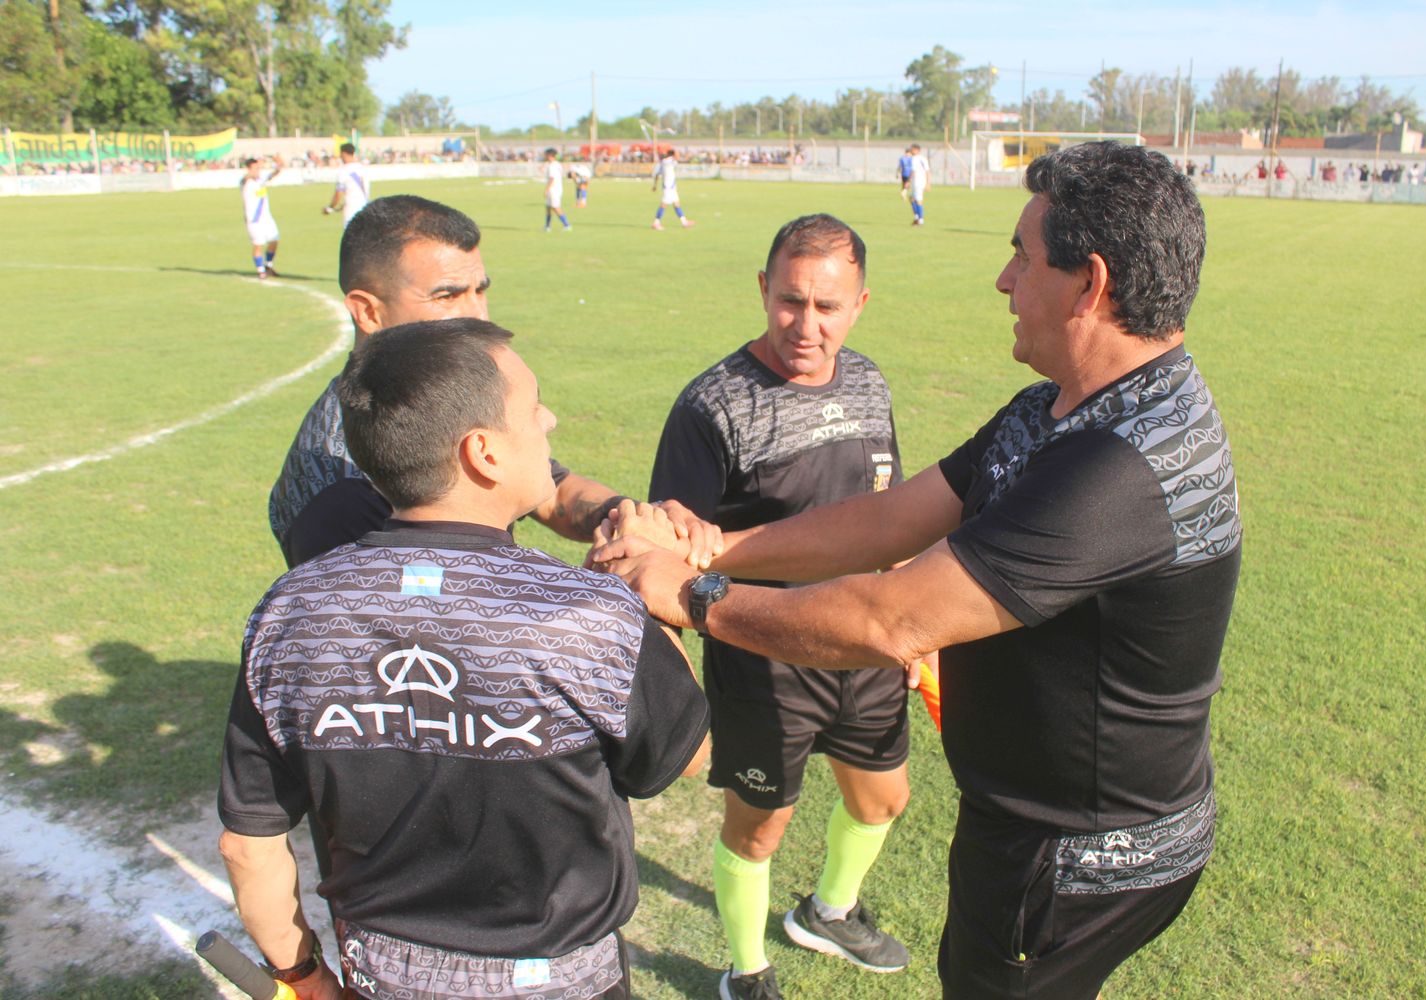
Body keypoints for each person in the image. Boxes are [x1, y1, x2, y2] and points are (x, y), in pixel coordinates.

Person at [596, 141, 1242, 1000]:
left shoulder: (1119, 466)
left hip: (1073, 857)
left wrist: (688, 591)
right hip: (1034, 823)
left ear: (1089, 284)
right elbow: (892, 517)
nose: (1005, 281)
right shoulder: (1058, 408)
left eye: (1020, 254)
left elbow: (890, 620)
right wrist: (712, 546)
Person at [219, 317, 711, 1000]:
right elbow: (687, 756)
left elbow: (249, 843)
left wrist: (299, 977)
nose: (550, 418)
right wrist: (655, 605)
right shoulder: (590, 615)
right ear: (483, 452)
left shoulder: (289, 612)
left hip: (382, 979)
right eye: (532, 407)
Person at [648, 215, 913, 1000]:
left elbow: (887, 509)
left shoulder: (868, 382)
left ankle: (829, 912)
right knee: (760, 826)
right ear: (763, 290)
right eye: (790, 301)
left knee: (883, 797)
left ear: (860, 303)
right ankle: (746, 971)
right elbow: (673, 546)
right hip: (765, 658)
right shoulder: (712, 405)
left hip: (862, 642)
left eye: (827, 308)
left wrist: (910, 625)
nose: (807, 325)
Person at [267, 194, 721, 570]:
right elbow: (423, 640)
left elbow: (552, 489)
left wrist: (635, 518)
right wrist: (599, 598)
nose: (478, 316)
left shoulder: (439, 399)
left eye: (480, 290)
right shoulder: (341, 491)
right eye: (447, 295)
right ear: (368, 310)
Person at [241, 154, 285, 279]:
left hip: (266, 218)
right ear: (249, 169)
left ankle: (268, 265)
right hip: (254, 219)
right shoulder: (245, 182)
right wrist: (253, 170)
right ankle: (261, 271)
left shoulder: (260, 179)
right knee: (258, 244)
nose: (258, 171)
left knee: (274, 240)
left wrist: (279, 164)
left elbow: (276, 172)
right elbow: (246, 177)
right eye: (255, 168)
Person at [323, 142, 370, 227]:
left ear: (344, 153)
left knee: (351, 237)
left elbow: (338, 194)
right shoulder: (362, 168)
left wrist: (330, 208)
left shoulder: (344, 171)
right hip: (365, 208)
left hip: (351, 210)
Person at [651, 147, 695, 230]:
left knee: (676, 204)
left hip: (671, 187)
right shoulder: (669, 161)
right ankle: (656, 223)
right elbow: (680, 159)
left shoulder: (664, 162)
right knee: (663, 205)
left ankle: (684, 222)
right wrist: (687, 157)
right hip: (669, 188)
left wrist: (655, 186)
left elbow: (657, 175)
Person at [542, 148, 572, 232]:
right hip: (556, 188)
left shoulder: (552, 166)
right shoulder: (557, 164)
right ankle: (547, 226)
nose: (544, 156)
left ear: (549, 155)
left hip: (553, 189)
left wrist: (546, 189)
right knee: (548, 207)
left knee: (555, 207)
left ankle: (567, 225)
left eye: (546, 155)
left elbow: (552, 178)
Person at [908, 144, 931, 226]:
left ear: (916, 150)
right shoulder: (924, 158)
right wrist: (928, 183)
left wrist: (908, 181)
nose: (910, 150)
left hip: (917, 181)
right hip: (921, 181)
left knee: (918, 200)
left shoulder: (915, 159)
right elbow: (928, 171)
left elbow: (913, 171)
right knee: (911, 198)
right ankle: (917, 217)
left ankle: (920, 219)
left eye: (912, 149)